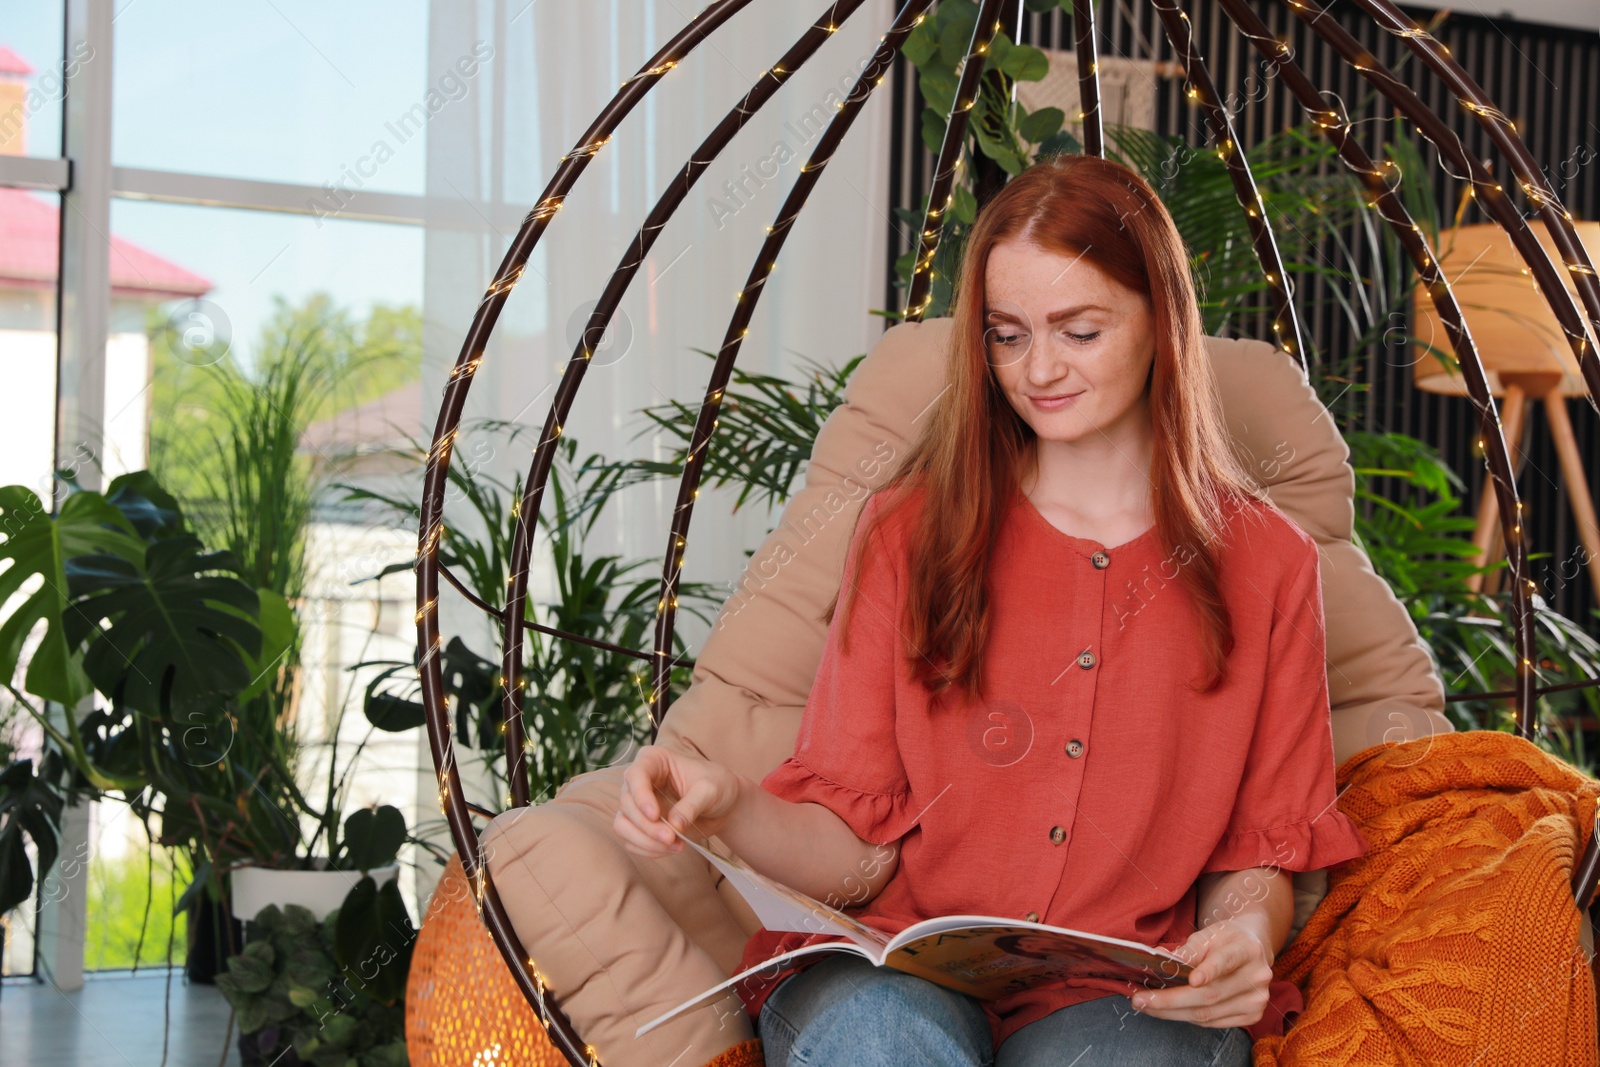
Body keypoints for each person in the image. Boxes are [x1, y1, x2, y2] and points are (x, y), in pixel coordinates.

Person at [612, 153, 1369, 1066]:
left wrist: (1244, 940)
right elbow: (858, 854)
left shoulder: (1270, 562)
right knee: (884, 1042)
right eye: (1007, 336)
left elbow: (1259, 851)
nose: (1037, 369)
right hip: (891, 979)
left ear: (1162, 322)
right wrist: (727, 804)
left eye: (1079, 331)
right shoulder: (909, 530)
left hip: (1118, 997)